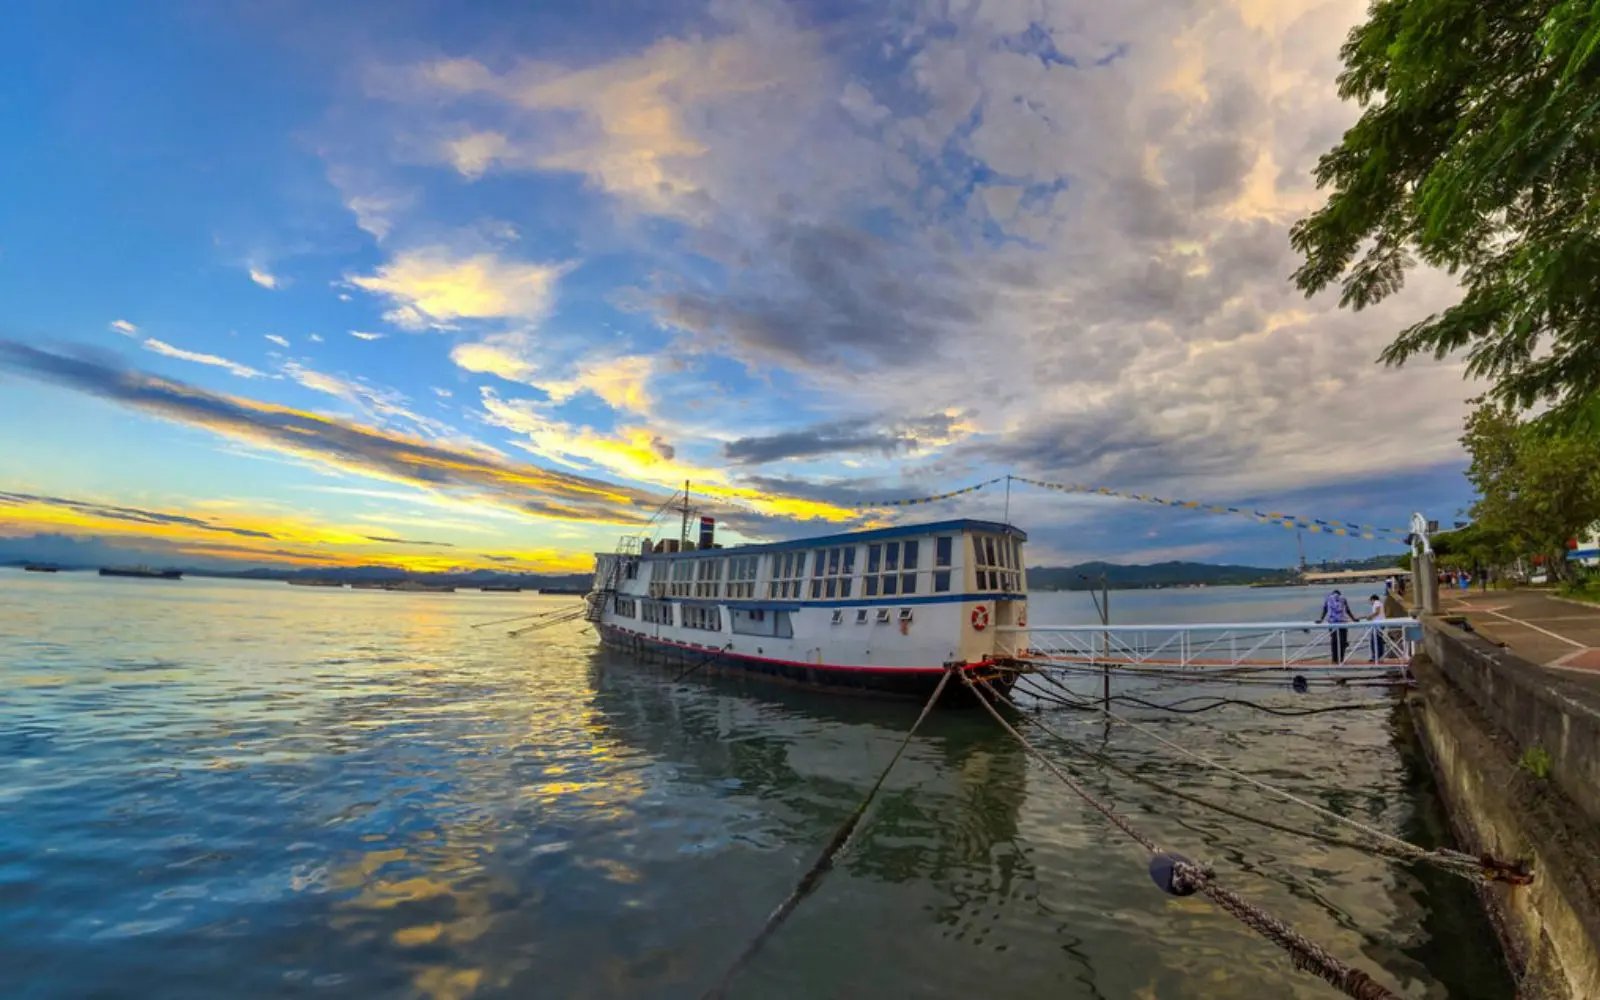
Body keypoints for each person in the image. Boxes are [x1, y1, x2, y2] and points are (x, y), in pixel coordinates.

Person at [1316, 589, 1357, 664]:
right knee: (1343, 641)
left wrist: (1321, 620)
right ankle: (1341, 659)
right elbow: (1347, 610)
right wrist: (1354, 619)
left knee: (1334, 641)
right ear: (1340, 594)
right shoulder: (1343, 598)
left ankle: (1334, 659)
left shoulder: (1328, 598)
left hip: (1332, 622)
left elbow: (1325, 610)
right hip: (1342, 622)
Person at [1365, 593, 1386, 663]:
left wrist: (1370, 617)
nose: (1370, 603)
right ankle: (1380, 656)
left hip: (1378, 625)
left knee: (1374, 641)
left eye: (1370, 601)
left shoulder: (1376, 603)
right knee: (1379, 640)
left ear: (1372, 599)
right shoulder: (1380, 603)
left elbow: (1377, 612)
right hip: (1381, 623)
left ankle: (1375, 657)